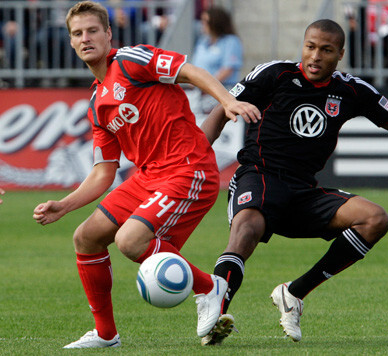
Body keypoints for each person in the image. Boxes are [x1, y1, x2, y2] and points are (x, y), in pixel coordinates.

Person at [199, 19, 388, 345]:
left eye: (326, 50)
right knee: (246, 230)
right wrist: (195, 158)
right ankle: (216, 310)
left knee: (375, 219)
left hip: (303, 190)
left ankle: (294, 294)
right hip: (259, 176)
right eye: (310, 47)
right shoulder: (274, 74)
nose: (316, 56)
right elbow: (222, 111)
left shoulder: (351, 90)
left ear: (340, 54)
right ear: (302, 46)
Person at [32, 1, 260, 349]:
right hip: (149, 176)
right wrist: (65, 204)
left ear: (108, 34)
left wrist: (226, 101)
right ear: (71, 42)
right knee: (86, 237)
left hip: (188, 167)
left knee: (130, 241)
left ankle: (209, 287)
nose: (85, 38)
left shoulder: (130, 60)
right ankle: (106, 335)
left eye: (93, 30)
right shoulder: (96, 102)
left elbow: (189, 70)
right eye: (77, 33)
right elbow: (103, 172)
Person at [192, 6, 243, 89]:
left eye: (206, 21)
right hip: (198, 92)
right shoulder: (202, 41)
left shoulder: (231, 41)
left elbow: (228, 69)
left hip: (220, 92)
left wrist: (208, 86)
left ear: (216, 22)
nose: (203, 24)